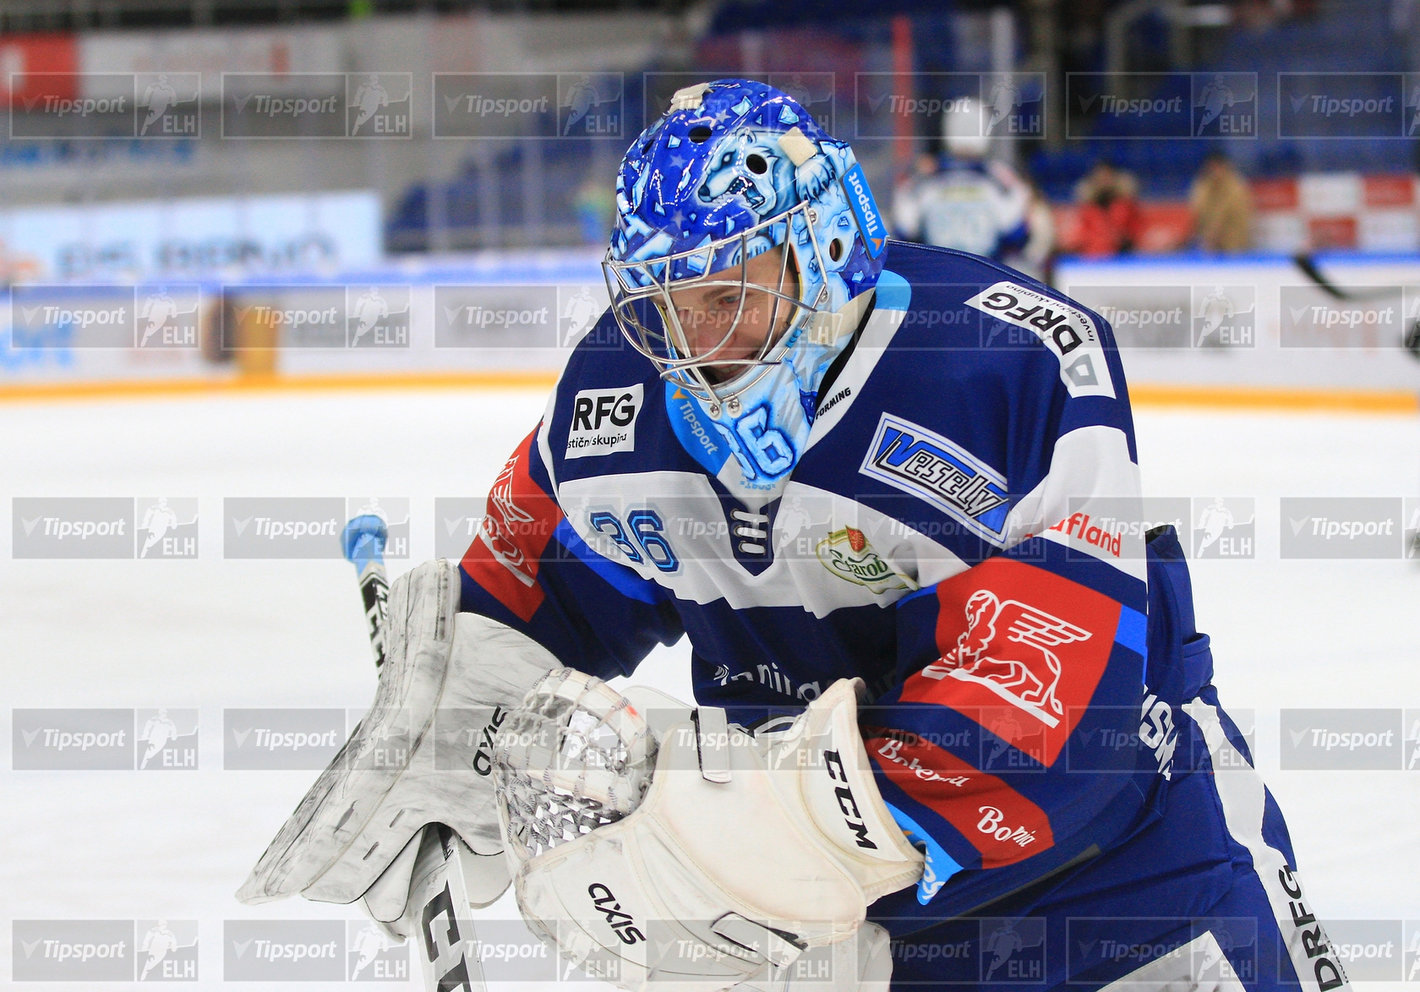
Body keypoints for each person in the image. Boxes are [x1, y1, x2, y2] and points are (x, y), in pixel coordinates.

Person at [241, 79, 1348, 992]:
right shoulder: (615, 400)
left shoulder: (1011, 362)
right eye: (665, 303)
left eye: (730, 292)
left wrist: (735, 850)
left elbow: (1050, 707)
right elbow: (537, 588)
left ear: (822, 251)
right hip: (846, 944)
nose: (695, 341)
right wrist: (456, 705)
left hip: (1129, 888)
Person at [891, 98, 1031, 261]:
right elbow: (1016, 234)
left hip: (936, 275)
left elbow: (903, 229)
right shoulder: (1000, 178)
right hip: (985, 276)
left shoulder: (924, 179)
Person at [1070, 160, 1145, 257]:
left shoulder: (1126, 205)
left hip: (1123, 258)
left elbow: (1137, 230)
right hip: (1092, 259)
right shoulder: (1087, 209)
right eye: (1100, 176)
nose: (1103, 180)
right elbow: (1081, 235)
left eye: (1107, 175)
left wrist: (1124, 239)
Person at [1189, 151, 1254, 254]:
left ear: (1225, 166)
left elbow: (1236, 215)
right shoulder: (1203, 186)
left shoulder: (1236, 187)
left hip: (1234, 243)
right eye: (1211, 168)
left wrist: (1216, 233)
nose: (1215, 171)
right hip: (1208, 242)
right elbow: (1197, 212)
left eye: (1217, 167)